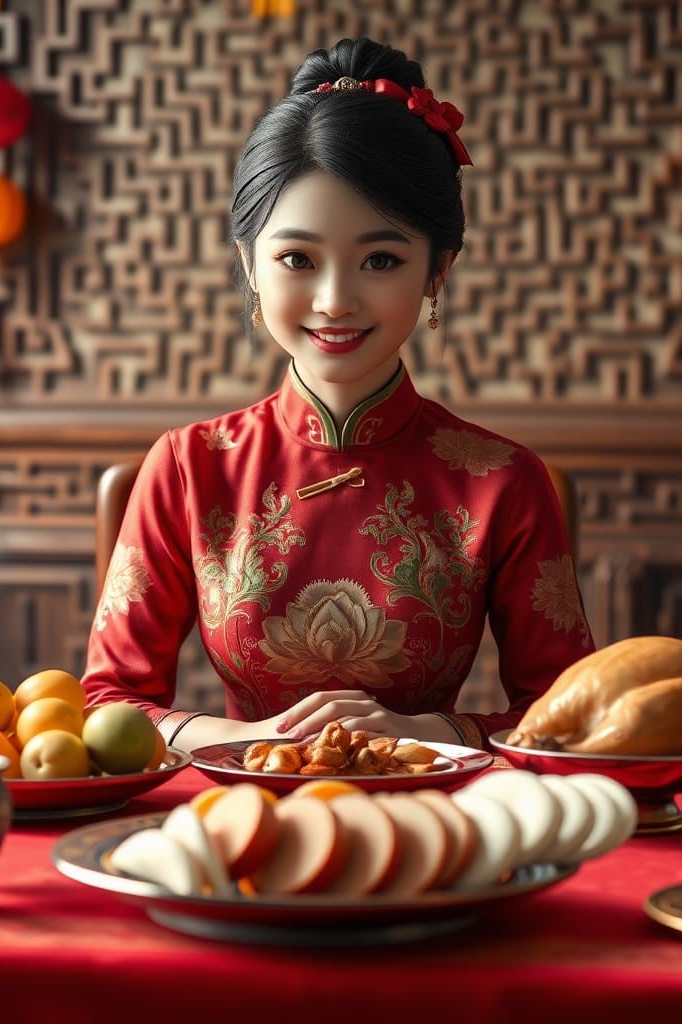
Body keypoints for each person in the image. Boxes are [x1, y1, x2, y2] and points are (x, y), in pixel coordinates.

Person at [82, 37, 592, 753]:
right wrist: (250, 740)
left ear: (438, 271)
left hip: (434, 806)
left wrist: (426, 735)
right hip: (244, 804)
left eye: (380, 259)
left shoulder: (501, 480)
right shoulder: (190, 466)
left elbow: (569, 713)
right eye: (297, 258)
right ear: (249, 265)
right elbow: (108, 700)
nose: (334, 300)